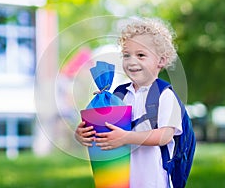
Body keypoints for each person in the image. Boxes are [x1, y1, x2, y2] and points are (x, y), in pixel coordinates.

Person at [75, 17, 183, 188]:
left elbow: (164, 136)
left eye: (141, 55)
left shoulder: (166, 96)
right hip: (122, 180)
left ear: (161, 60)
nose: (132, 61)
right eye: (127, 55)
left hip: (153, 181)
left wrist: (126, 137)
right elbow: (106, 132)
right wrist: (84, 134)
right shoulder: (118, 95)